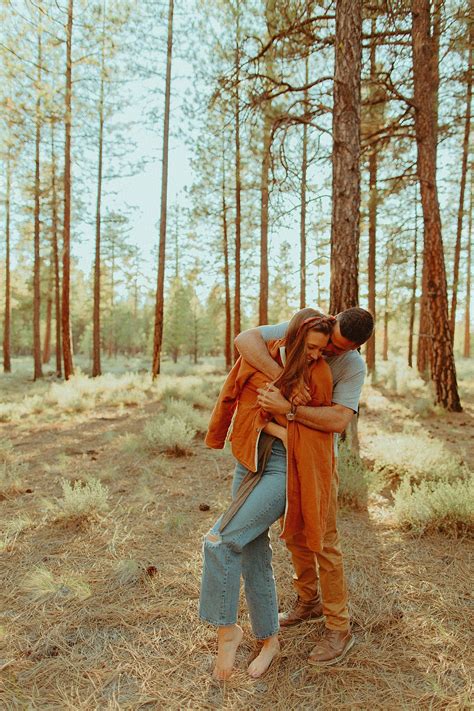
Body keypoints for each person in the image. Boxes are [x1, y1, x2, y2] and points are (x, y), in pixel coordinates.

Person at [199, 309, 337, 680]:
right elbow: (237, 397)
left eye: (321, 350)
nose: (315, 355)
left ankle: (226, 630)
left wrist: (280, 422)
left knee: (220, 541)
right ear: (291, 339)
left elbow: (317, 441)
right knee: (252, 553)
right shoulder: (263, 357)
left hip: (282, 469)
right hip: (248, 461)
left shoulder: (319, 375)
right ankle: (269, 640)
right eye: (310, 347)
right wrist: (240, 428)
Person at [235, 307, 374, 666]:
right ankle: (307, 599)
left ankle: (338, 628)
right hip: (279, 456)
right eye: (329, 343)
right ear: (331, 323)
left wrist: (291, 409)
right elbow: (245, 339)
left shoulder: (352, 366)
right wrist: (285, 378)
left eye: (339, 349)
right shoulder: (312, 329)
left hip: (316, 461)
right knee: (294, 534)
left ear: (353, 348)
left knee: (324, 542)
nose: (327, 351)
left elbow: (339, 420)